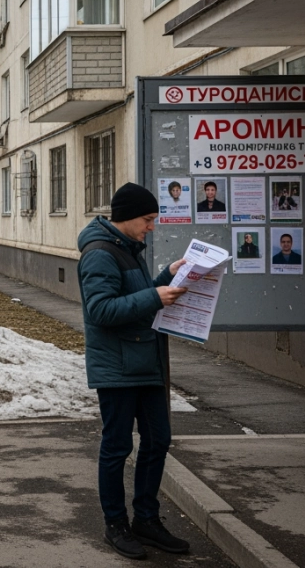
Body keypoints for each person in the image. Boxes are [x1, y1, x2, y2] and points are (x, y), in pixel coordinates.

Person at [77, 182, 190, 560]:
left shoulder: (127, 249)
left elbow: (133, 297)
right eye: (148, 219)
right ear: (126, 217)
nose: (151, 227)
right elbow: (102, 311)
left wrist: (165, 277)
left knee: (158, 441)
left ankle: (146, 519)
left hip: (145, 362)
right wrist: (154, 296)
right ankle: (116, 524)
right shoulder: (99, 253)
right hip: (118, 367)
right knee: (117, 447)